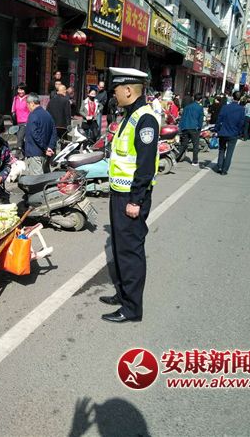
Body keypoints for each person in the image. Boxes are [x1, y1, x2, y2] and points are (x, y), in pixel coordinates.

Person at [99, 67, 160, 324]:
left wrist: (136, 200)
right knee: (120, 247)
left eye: (116, 90)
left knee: (130, 252)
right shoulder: (130, 116)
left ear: (127, 90)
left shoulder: (145, 119)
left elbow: (145, 164)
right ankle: (124, 294)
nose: (113, 94)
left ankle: (132, 309)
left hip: (131, 197)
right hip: (120, 194)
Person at [25, 93, 57, 175]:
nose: (27, 107)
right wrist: (50, 147)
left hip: (35, 153)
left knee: (37, 180)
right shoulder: (48, 114)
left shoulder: (33, 115)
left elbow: (34, 134)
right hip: (45, 154)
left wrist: (45, 148)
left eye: (27, 104)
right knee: (46, 179)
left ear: (32, 103)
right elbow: (54, 132)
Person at [214, 91, 245, 175]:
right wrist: (239, 132)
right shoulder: (241, 109)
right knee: (229, 152)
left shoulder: (225, 107)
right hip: (234, 133)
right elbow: (241, 122)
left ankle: (219, 166)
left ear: (232, 97)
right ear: (240, 98)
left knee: (221, 150)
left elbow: (219, 119)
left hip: (223, 131)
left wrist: (216, 129)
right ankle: (224, 170)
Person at [177, 92, 204, 166]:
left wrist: (181, 127)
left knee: (183, 144)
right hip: (194, 128)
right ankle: (194, 161)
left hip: (185, 127)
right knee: (195, 145)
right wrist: (199, 127)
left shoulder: (187, 107)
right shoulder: (200, 107)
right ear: (200, 100)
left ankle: (176, 157)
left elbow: (182, 117)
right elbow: (200, 119)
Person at [11, 82, 30, 158]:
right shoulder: (15, 98)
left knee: (19, 139)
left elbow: (31, 110)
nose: (20, 91)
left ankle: (16, 156)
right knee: (21, 139)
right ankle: (27, 154)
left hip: (26, 122)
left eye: (22, 90)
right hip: (17, 122)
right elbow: (13, 110)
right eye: (19, 89)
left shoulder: (28, 98)